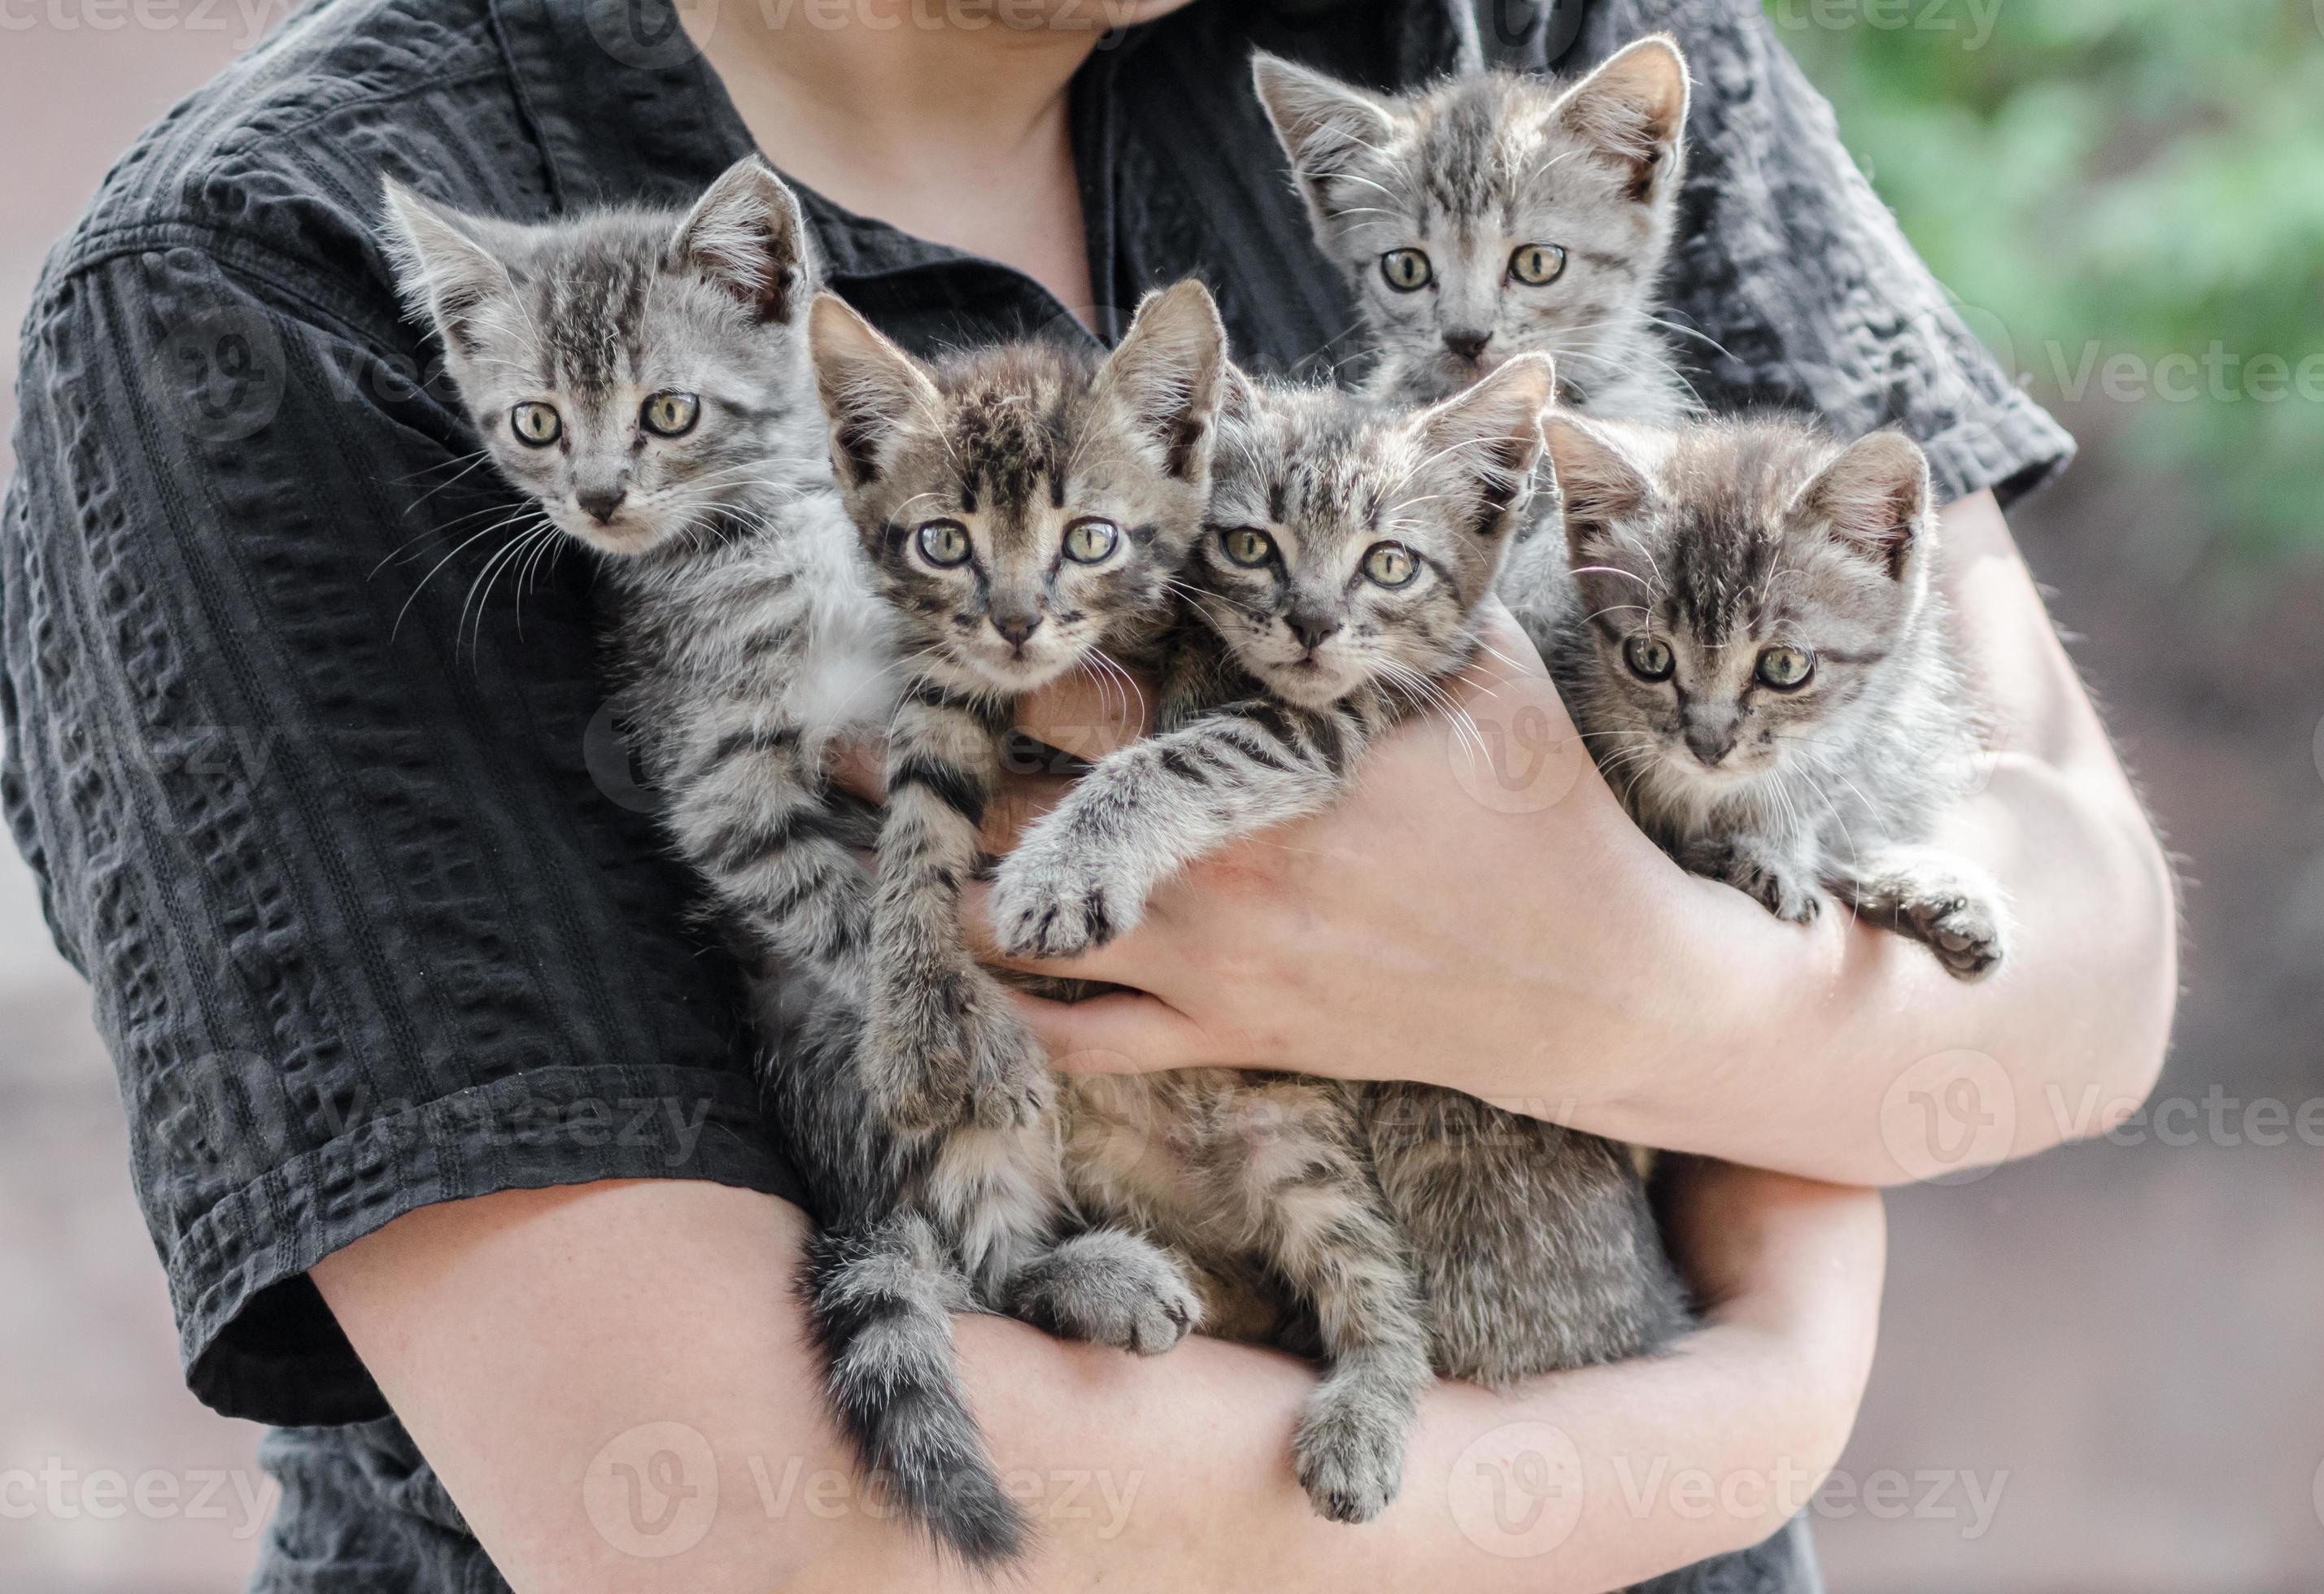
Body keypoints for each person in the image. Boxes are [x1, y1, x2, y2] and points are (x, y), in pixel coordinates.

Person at [0, 0, 2172, 1587]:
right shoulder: (262, 294)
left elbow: (2073, 951)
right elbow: (736, 1522)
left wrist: (1592, 974)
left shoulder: (1523, 48)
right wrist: (1744, 1417)